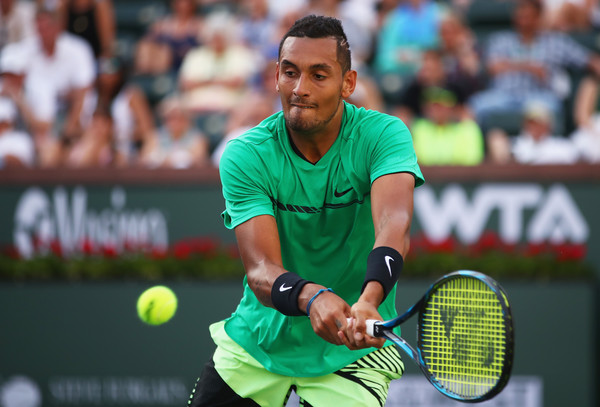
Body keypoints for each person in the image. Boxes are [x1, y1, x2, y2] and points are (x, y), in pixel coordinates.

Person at [188, 15, 424, 407]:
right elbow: (261, 271)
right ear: (275, 76)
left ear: (348, 84)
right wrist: (311, 297)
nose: (300, 88)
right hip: (258, 343)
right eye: (290, 72)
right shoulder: (246, 154)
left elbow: (393, 224)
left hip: (354, 352)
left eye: (319, 75)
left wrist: (370, 299)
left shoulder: (384, 135)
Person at [469, 0, 600, 134]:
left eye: (528, 17)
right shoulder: (501, 40)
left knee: (550, 106)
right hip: (503, 96)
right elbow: (493, 67)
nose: (523, 22)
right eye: (520, 16)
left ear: (538, 17)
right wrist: (530, 67)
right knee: (476, 105)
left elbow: (589, 60)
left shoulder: (556, 41)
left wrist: (508, 65)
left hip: (538, 95)